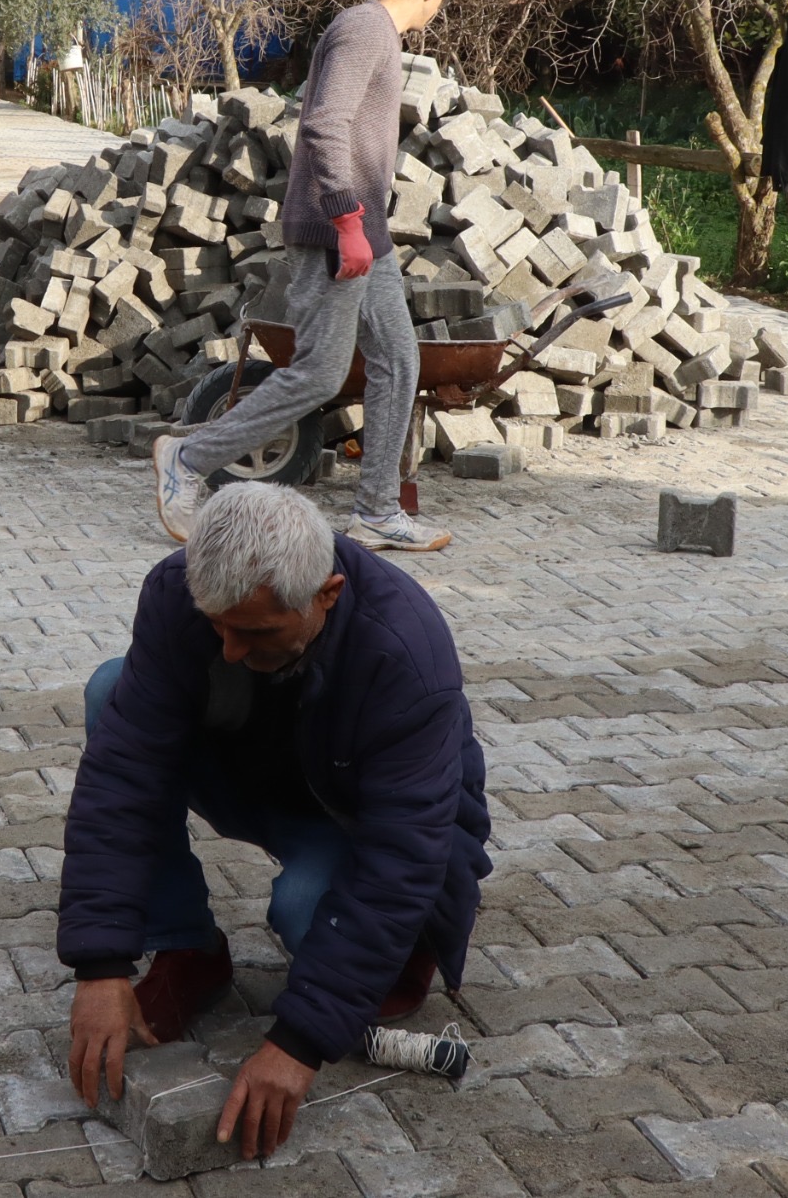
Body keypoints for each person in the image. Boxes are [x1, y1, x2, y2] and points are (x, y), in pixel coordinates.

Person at [60, 483, 491, 1164]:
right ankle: (187, 949)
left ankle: (403, 954)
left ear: (327, 593)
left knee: (304, 916)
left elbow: (403, 855)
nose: (229, 650)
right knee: (113, 692)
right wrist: (100, 965)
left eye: (256, 632)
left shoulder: (404, 650)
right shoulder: (178, 591)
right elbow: (122, 778)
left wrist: (298, 1044)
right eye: (217, 626)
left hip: (350, 814)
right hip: (255, 773)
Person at [153, 0, 453, 552]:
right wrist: (347, 223)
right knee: (319, 374)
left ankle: (375, 511)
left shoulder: (375, 34)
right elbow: (321, 127)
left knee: (399, 361)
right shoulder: (365, 30)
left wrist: (364, 226)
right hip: (334, 231)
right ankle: (187, 457)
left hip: (366, 233)